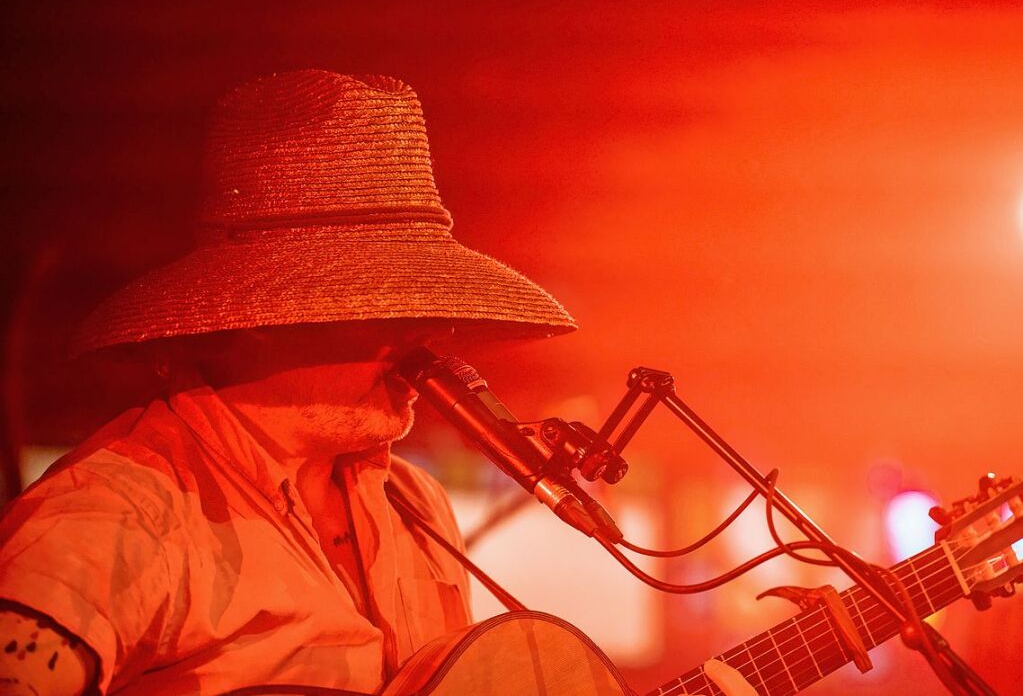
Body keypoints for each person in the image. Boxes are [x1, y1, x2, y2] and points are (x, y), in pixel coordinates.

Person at [0, 70, 756, 695]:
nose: (429, 339)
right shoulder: (117, 514)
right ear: (261, 317)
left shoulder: (412, 506)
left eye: (427, 309)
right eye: (385, 309)